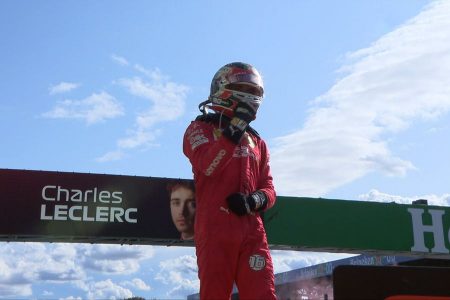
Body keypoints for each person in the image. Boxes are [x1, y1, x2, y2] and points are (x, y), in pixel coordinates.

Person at [183, 62, 276, 299]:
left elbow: (269, 188)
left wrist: (253, 200)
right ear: (223, 89)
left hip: (253, 230)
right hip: (215, 227)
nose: (251, 96)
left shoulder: (258, 142)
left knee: (263, 293)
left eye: (255, 92)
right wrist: (234, 129)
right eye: (245, 88)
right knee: (215, 294)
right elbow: (208, 166)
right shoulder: (198, 129)